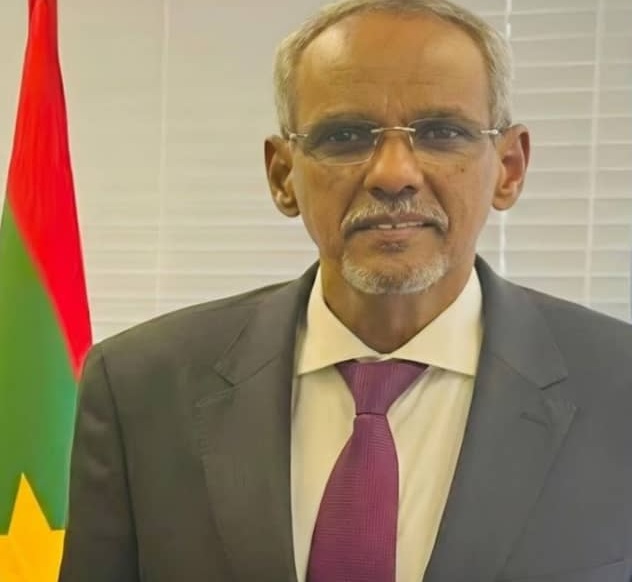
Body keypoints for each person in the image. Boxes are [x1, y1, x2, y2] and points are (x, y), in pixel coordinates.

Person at [58, 0, 632, 581]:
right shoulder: (139, 390)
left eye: (441, 133)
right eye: (345, 135)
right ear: (283, 175)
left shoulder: (619, 388)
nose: (393, 174)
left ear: (509, 167)